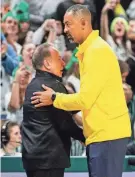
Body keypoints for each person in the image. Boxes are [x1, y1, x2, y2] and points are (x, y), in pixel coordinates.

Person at [31, 4, 131, 177]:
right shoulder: (90, 50)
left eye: (69, 24)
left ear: (84, 22)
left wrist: (54, 98)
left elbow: (85, 99)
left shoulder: (96, 52)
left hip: (107, 135)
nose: (65, 29)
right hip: (102, 134)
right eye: (64, 25)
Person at [21, 43, 85, 177]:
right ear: (47, 64)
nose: (63, 63)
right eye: (59, 59)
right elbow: (65, 123)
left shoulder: (32, 85)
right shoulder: (53, 86)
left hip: (32, 158)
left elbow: (71, 106)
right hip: (48, 159)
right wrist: (86, 137)